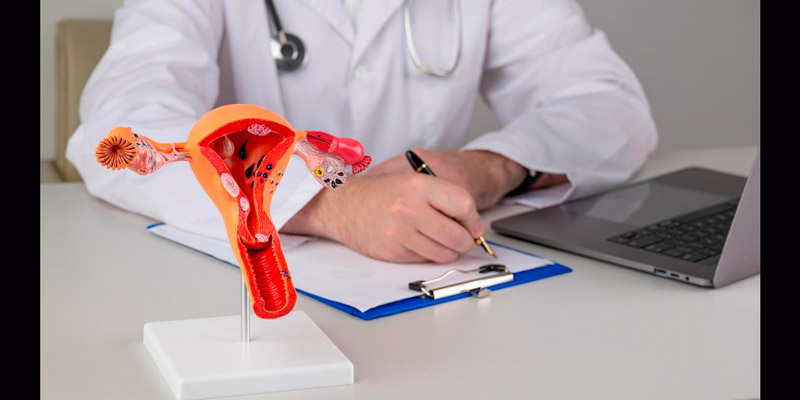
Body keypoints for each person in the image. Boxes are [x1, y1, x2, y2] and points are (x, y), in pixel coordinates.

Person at [66, 0, 657, 264]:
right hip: (247, 290)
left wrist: (491, 168)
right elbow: (121, 135)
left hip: (427, 288)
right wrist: (333, 204)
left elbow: (608, 104)